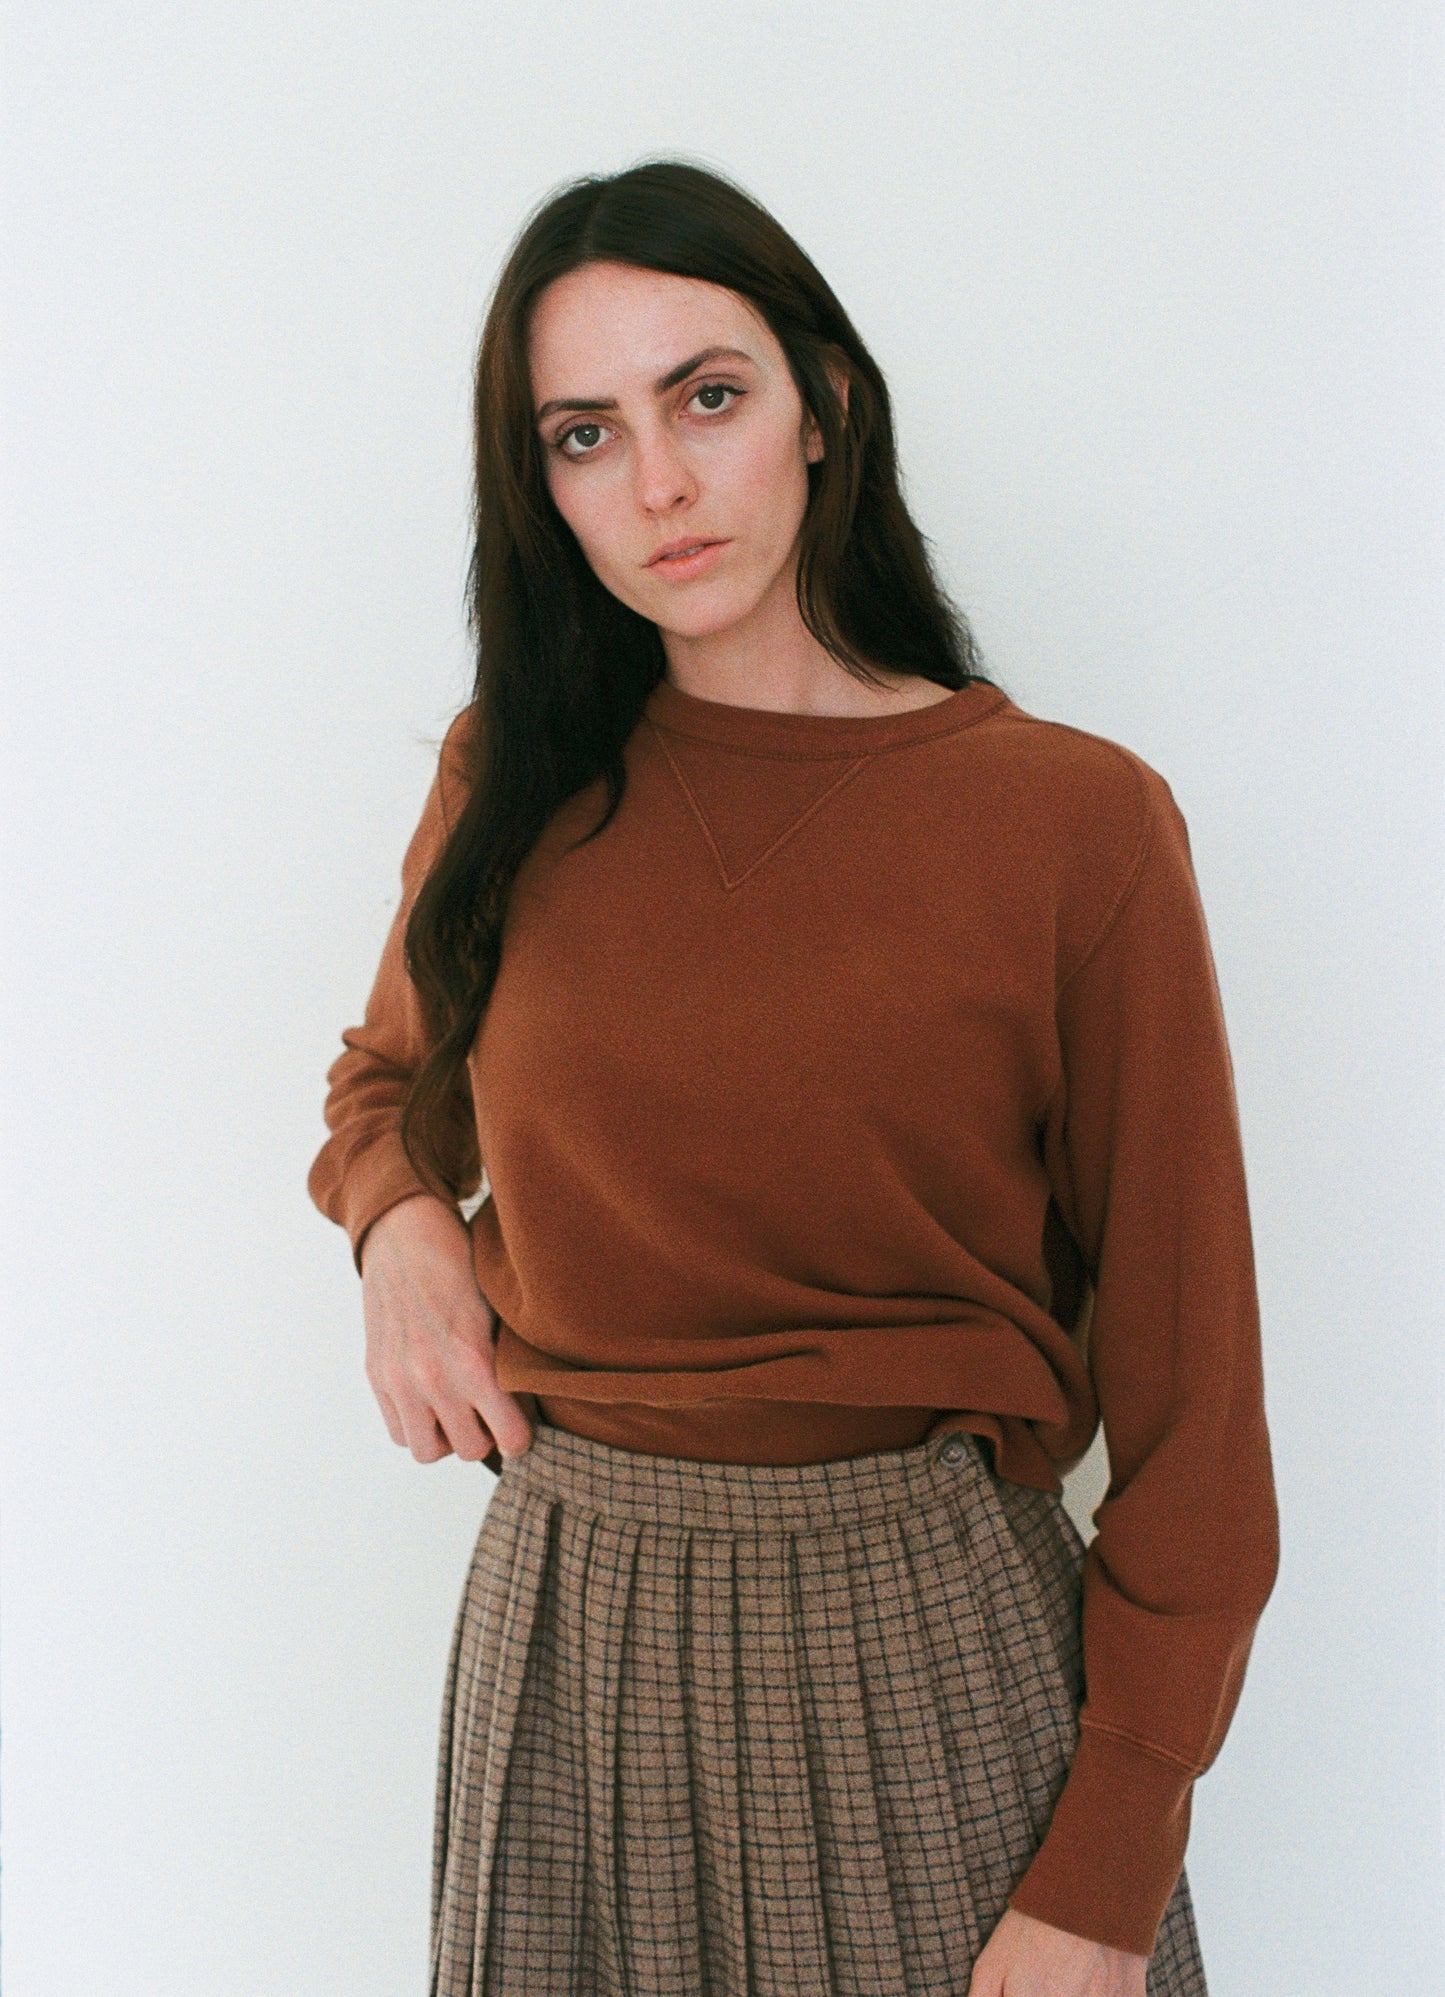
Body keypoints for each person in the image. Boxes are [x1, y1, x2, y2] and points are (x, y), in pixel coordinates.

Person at [307, 159, 1280, 1997]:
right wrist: (398, 1232)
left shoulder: (1075, 826)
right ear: (544, 492)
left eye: (708, 395)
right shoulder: (507, 781)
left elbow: (1197, 1432)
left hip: (933, 1635)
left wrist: (1110, 1869)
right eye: (583, 435)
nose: (658, 482)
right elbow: (382, 1092)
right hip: (575, 1624)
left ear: (823, 409)